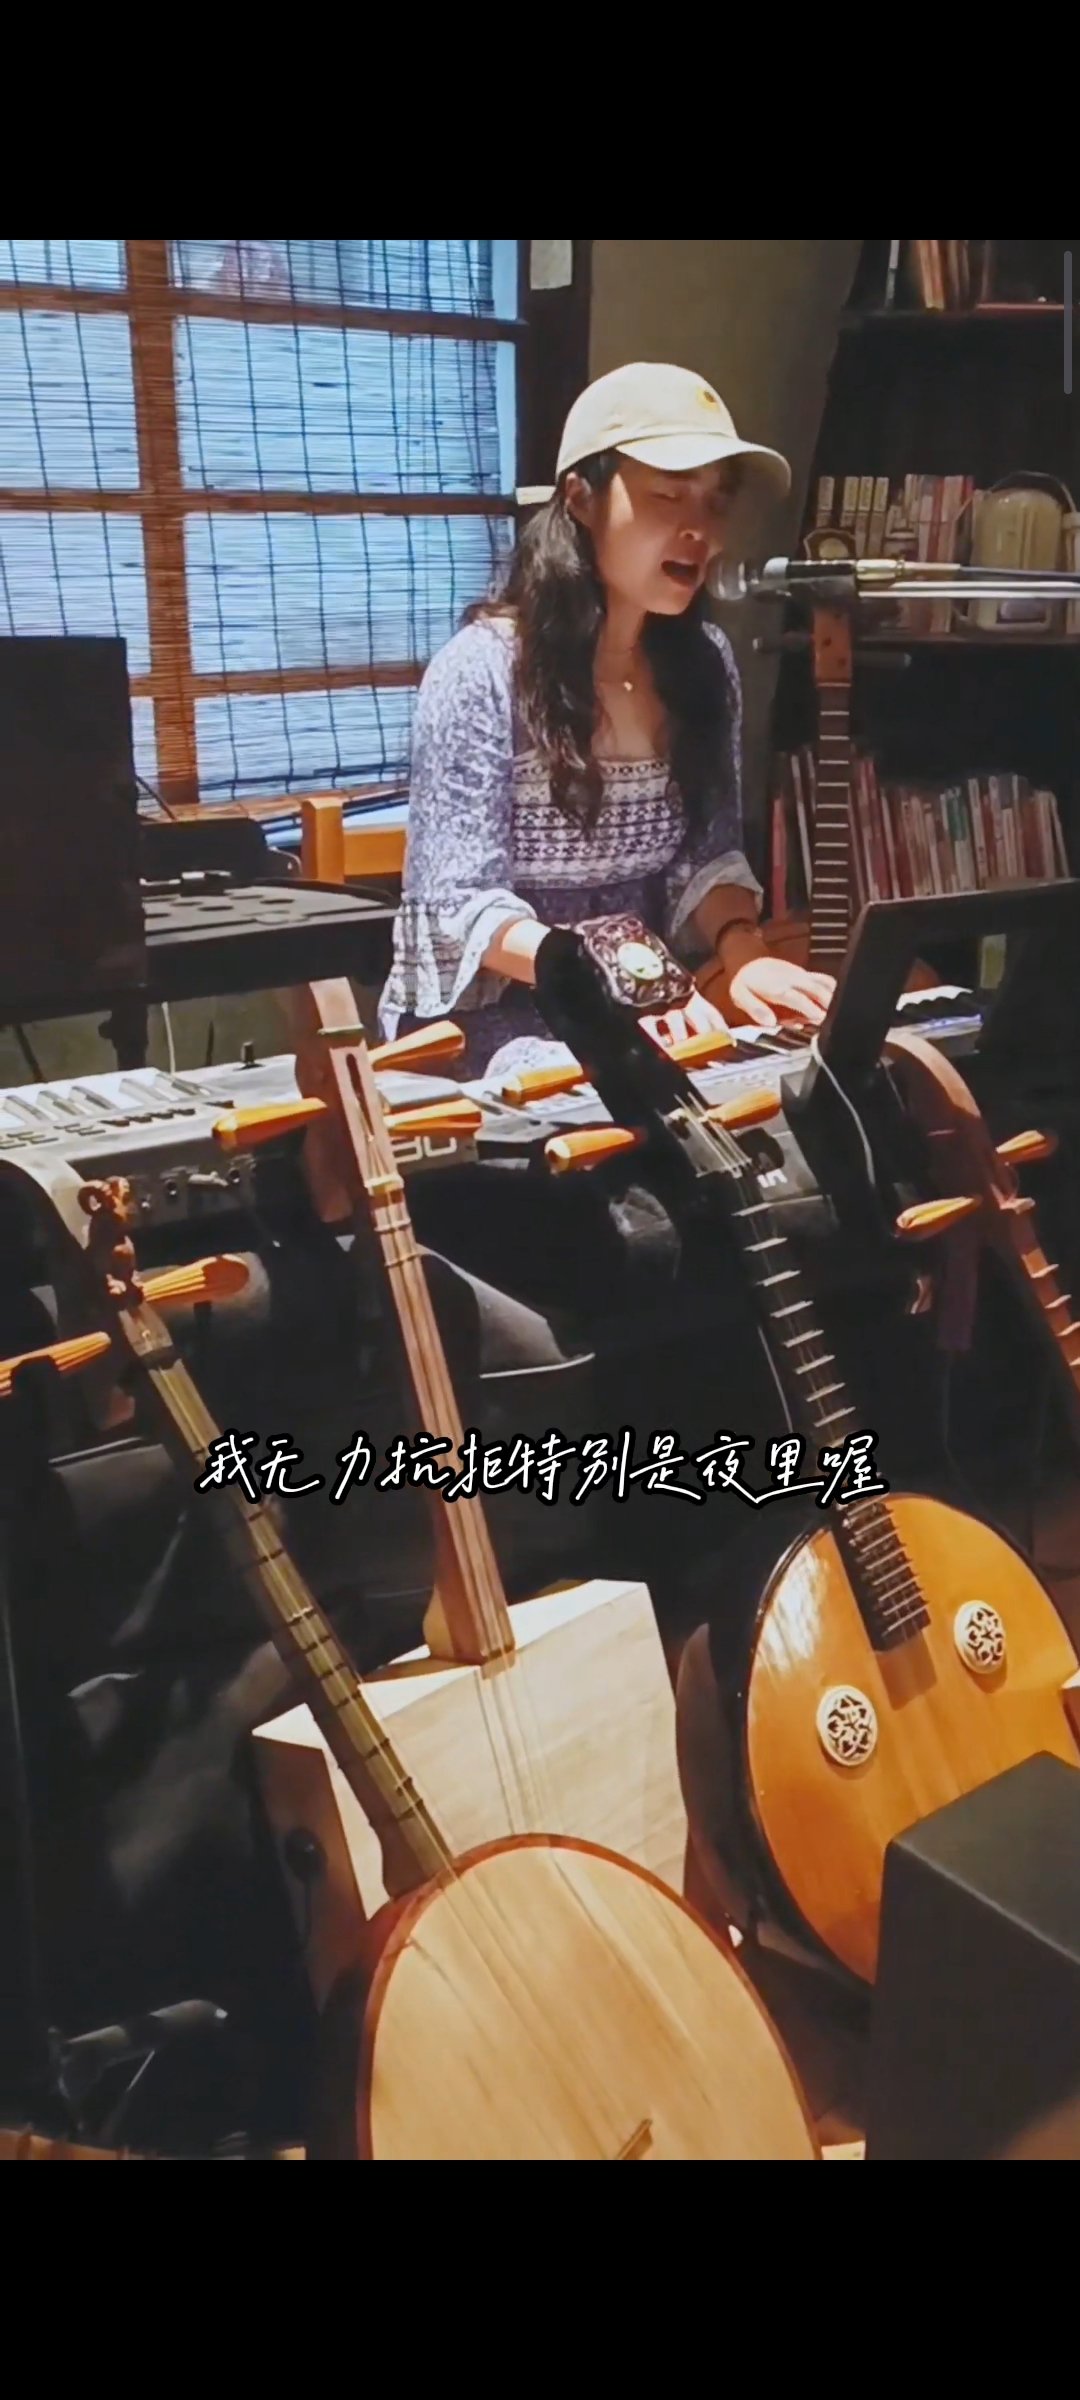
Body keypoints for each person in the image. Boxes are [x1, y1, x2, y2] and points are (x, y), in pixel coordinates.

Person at [380, 361, 836, 1082]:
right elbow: (458, 903)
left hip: (649, 1006)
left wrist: (746, 956)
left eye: (716, 502)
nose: (699, 530)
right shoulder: (481, 670)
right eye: (668, 496)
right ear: (581, 498)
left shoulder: (706, 662)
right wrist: (616, 972)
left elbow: (708, 854)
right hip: (493, 1026)